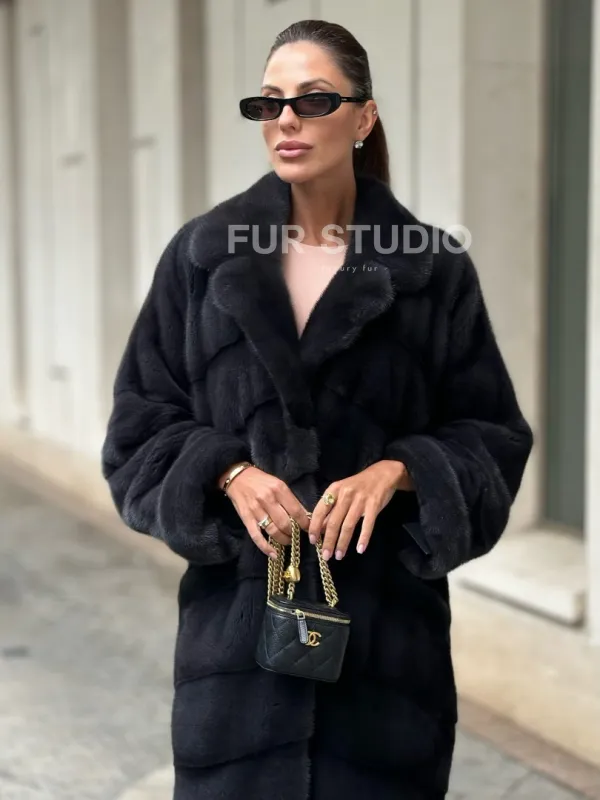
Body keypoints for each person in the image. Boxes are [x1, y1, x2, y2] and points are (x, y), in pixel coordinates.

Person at [101, 18, 533, 800]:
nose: (287, 120)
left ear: (363, 116)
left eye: (313, 99)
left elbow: (492, 437)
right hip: (235, 666)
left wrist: (401, 471)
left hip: (386, 664)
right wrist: (226, 471)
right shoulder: (203, 257)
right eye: (269, 103)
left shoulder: (432, 270)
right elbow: (138, 431)